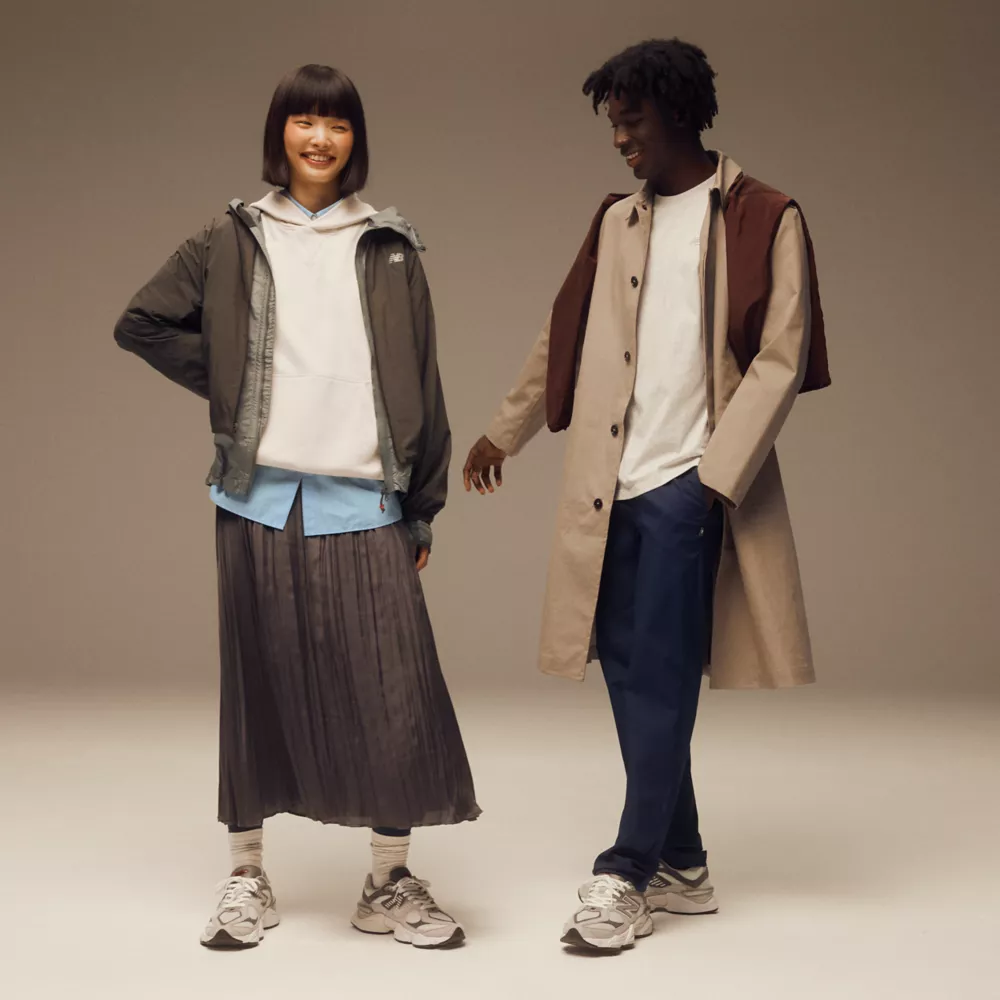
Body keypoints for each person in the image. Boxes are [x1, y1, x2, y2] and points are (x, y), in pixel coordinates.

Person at [463, 38, 830, 952]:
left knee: (661, 678)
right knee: (631, 678)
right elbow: (560, 337)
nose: (620, 139)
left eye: (631, 121)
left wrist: (713, 481)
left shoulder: (764, 215)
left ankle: (627, 870)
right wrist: (503, 430)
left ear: (678, 112)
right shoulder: (616, 222)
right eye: (613, 125)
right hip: (606, 488)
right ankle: (686, 864)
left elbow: (781, 358)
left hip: (686, 485)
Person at [114, 63, 479, 951]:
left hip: (367, 498)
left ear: (357, 139)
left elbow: (424, 381)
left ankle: (388, 881)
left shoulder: (388, 246)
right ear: (279, 132)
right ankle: (247, 876)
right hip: (260, 500)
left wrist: (422, 507)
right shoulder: (232, 236)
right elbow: (142, 323)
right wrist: (238, 389)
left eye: (338, 124)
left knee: (395, 692)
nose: (321, 138)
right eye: (304, 121)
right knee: (257, 687)